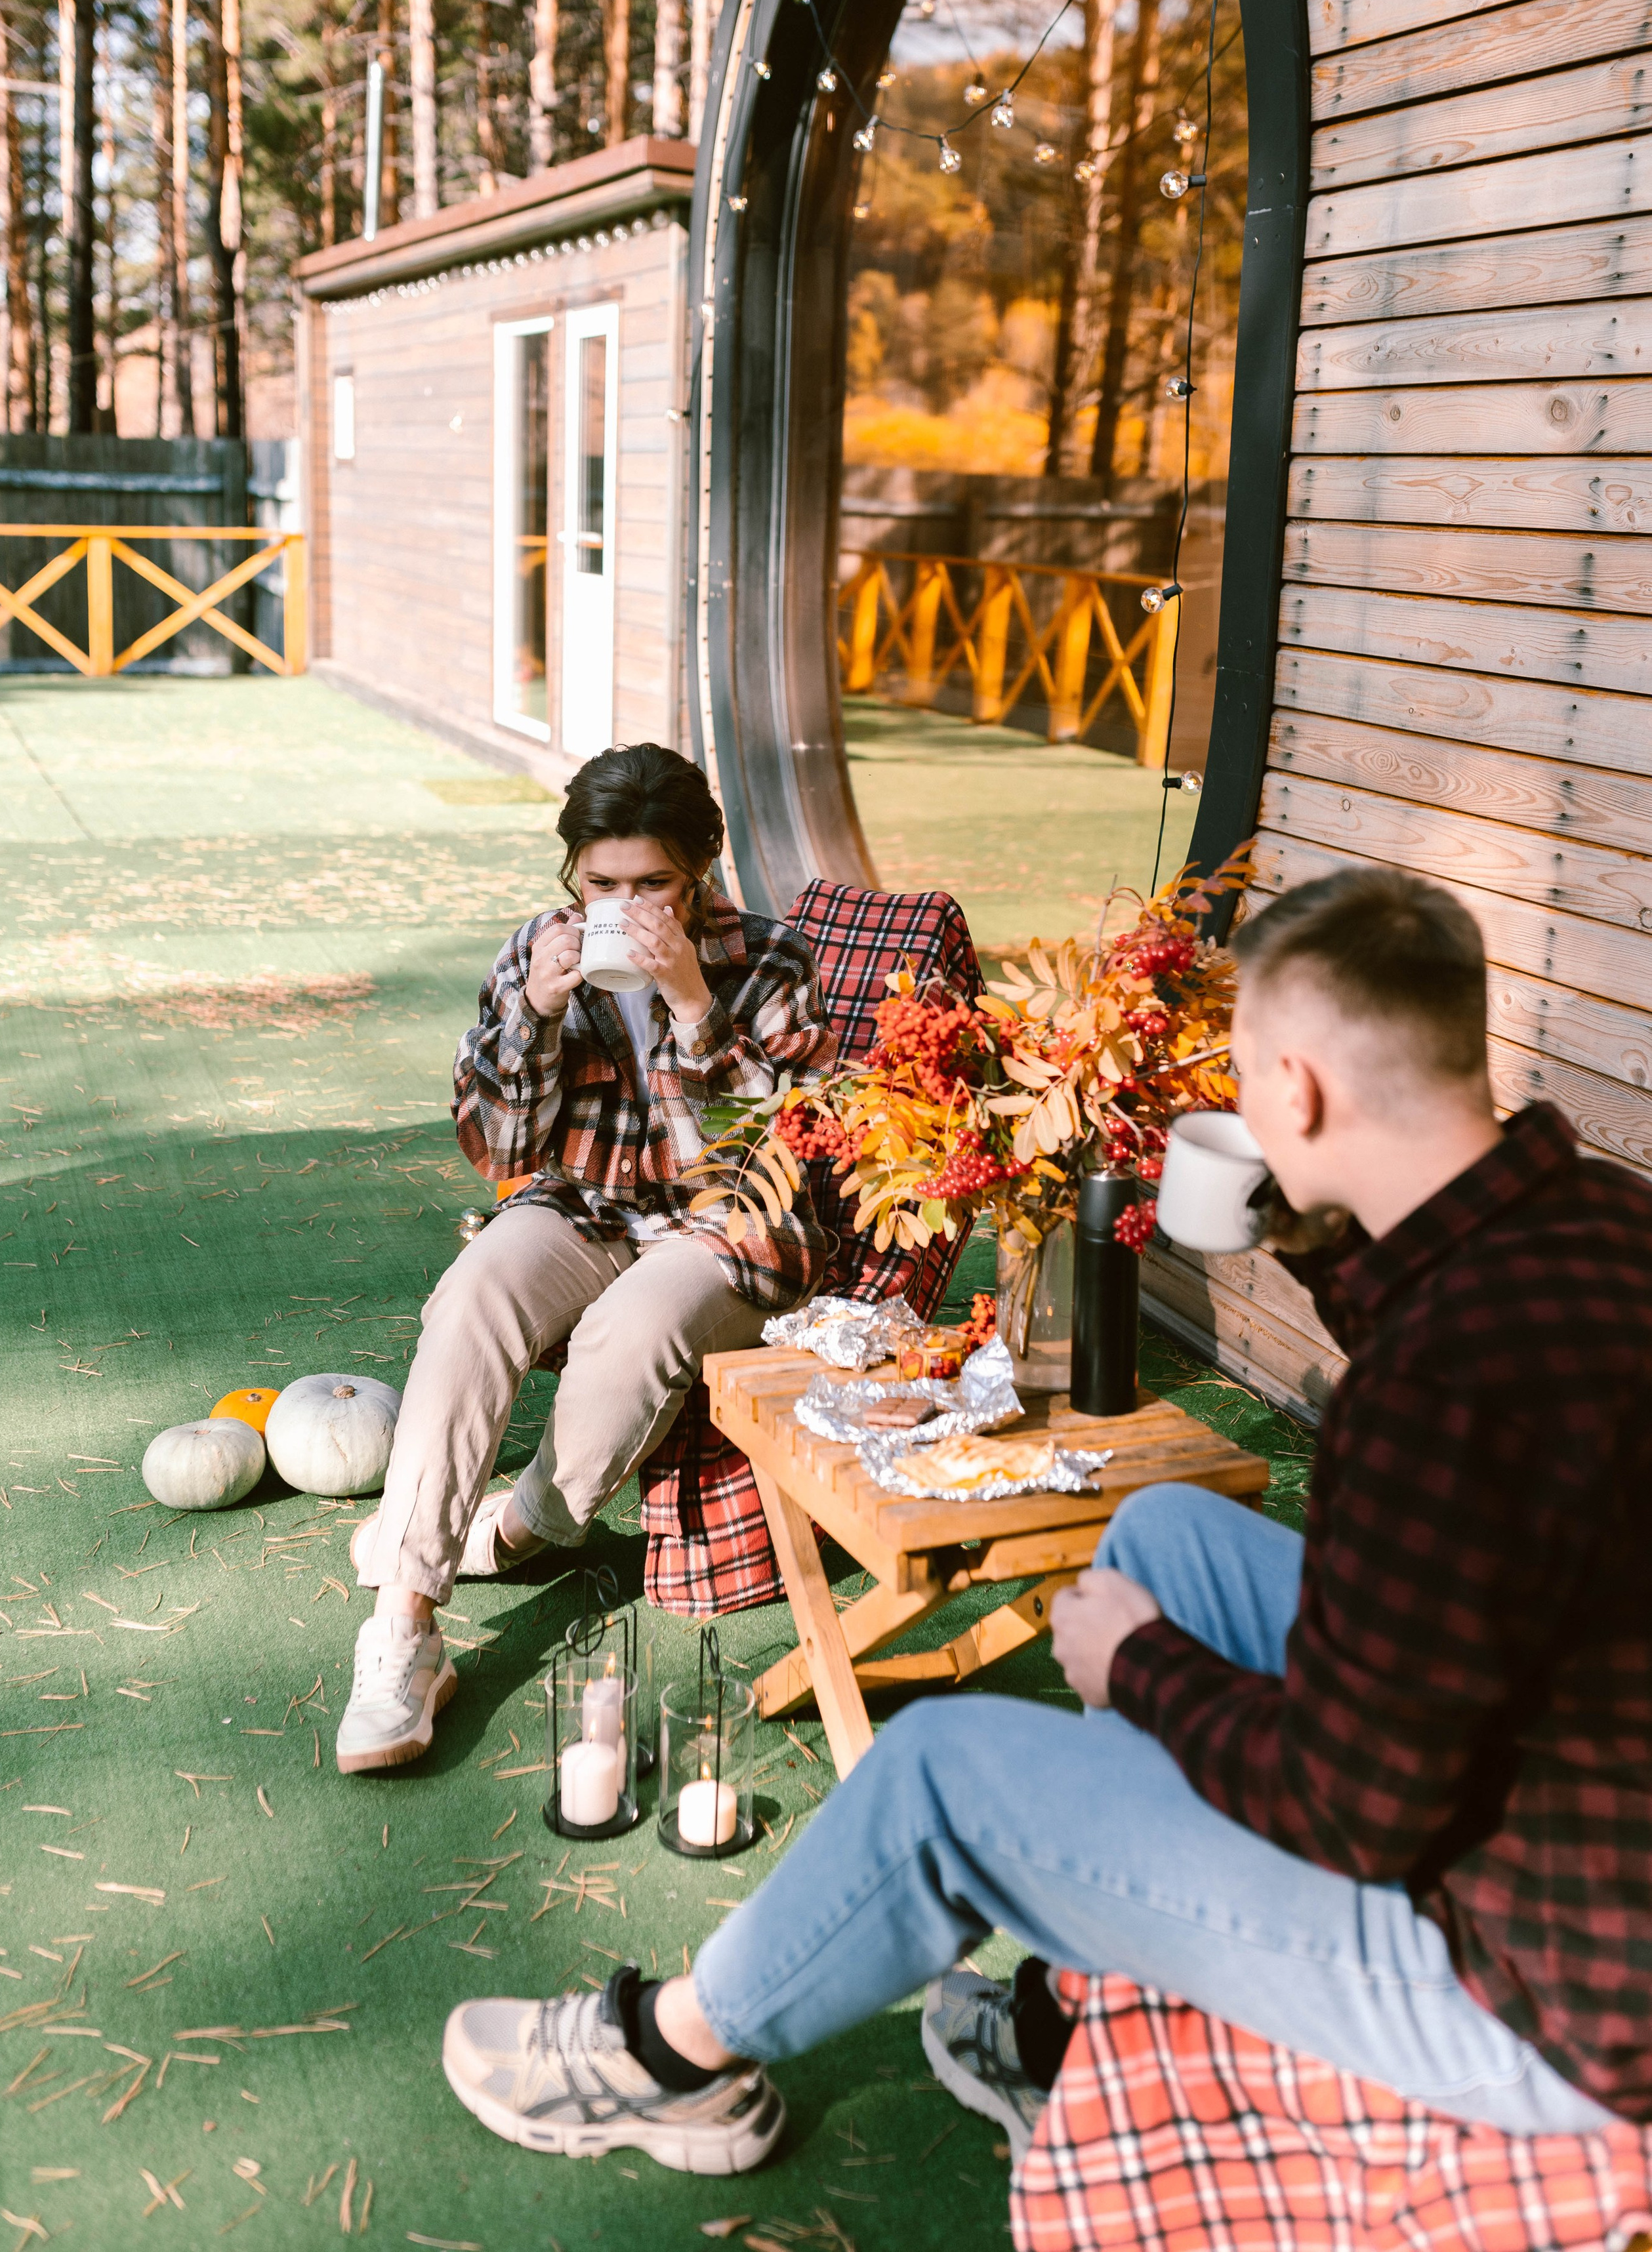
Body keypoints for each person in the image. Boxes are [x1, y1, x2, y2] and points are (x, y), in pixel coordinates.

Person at [436, 865, 1652, 2177]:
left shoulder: (1437, 1382)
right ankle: (1069, 2017)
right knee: (1163, 1541)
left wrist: (1140, 1670)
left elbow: (1353, 1809)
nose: (1236, 1105)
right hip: (1574, 1813)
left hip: (1539, 1995)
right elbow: (1467, 1490)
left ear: (1292, 1088)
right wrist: (1312, 1236)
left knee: (939, 1775)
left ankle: (665, 2064)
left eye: (1241, 1075)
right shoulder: (1597, 1217)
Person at [335, 743, 833, 1775]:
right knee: (475, 1290)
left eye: (652, 884)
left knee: (632, 1329)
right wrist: (539, 1015)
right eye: (602, 884)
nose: (626, 904)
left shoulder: (772, 960)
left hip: (731, 1225)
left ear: (701, 870)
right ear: (574, 876)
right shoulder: (537, 952)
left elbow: (782, 1158)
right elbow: (505, 1156)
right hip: (586, 1204)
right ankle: (405, 1624)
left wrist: (698, 1005)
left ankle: (525, 1526)